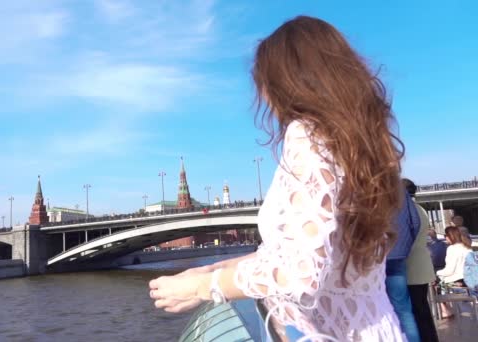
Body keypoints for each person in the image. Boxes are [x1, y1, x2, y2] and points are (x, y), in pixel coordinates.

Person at [149, 16, 406, 341]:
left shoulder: (308, 138)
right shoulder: (361, 145)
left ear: (287, 82)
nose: (265, 98)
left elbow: (300, 274)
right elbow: (309, 251)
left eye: (265, 83)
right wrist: (213, 269)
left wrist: (204, 288)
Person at [403, 179, 439, 342]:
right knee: (422, 309)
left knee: (414, 310)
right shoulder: (421, 209)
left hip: (411, 267)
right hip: (422, 265)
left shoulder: (404, 211)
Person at [385, 188, 420, 342]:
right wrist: (405, 246)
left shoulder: (358, 183)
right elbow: (415, 221)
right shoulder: (398, 187)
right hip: (397, 254)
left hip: (370, 255)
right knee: (404, 310)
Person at [436, 226, 472, 318]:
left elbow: (449, 270)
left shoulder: (452, 249)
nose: (445, 238)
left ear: (450, 236)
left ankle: (446, 311)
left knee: (436, 286)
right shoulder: (467, 247)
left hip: (455, 280)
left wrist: (437, 273)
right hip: (468, 280)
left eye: (446, 235)